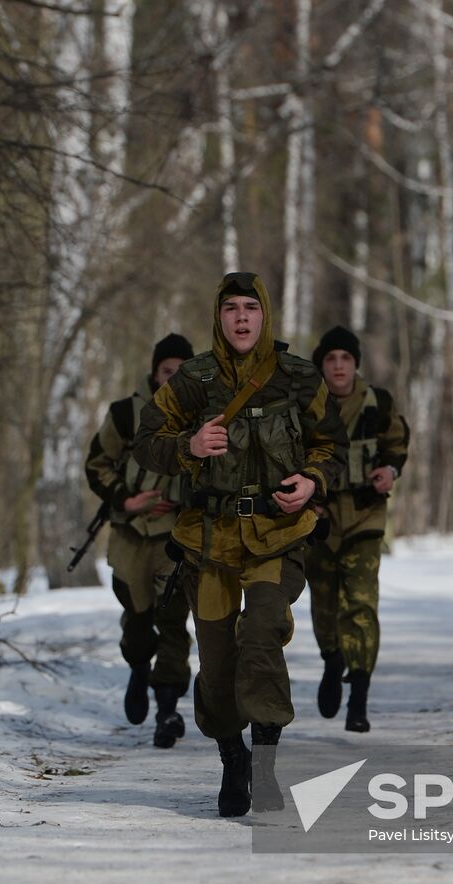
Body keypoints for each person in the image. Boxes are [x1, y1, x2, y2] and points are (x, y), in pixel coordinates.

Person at [133, 272, 347, 818]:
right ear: (218, 317)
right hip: (209, 540)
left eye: (251, 307)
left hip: (278, 535)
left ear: (265, 313)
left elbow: (332, 445)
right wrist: (189, 445)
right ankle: (233, 754)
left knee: (261, 632)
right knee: (218, 658)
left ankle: (267, 761)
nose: (243, 318)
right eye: (232, 308)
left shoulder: (298, 378)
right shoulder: (193, 381)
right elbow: (145, 441)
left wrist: (313, 481)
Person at [85, 333, 196, 748]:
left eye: (183, 372)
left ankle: (167, 708)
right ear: (154, 373)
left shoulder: (201, 419)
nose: (174, 379)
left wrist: (182, 502)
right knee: (137, 619)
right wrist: (126, 499)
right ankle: (137, 666)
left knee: (172, 622)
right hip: (130, 535)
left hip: (175, 538)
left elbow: (214, 475)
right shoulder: (126, 415)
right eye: (168, 371)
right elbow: (97, 464)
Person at [305, 326, 409, 733]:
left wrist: (390, 469)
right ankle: (333, 660)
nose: (338, 366)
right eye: (330, 359)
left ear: (355, 364)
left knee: (362, 604)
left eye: (345, 359)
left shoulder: (377, 403)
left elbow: (397, 444)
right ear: (322, 365)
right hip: (319, 518)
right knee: (325, 603)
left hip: (365, 515)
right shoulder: (308, 406)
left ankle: (359, 696)